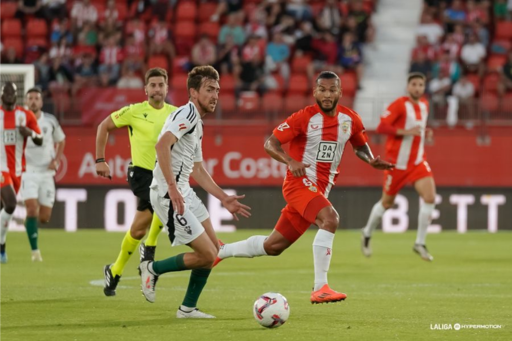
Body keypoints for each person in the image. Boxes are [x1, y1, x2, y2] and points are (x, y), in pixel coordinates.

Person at [214, 71, 394, 304]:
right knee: (330, 219)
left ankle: (221, 250)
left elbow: (360, 145)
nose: (327, 95)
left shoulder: (350, 120)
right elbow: (271, 143)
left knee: (273, 246)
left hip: (318, 189)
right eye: (322, 89)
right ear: (314, 92)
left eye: (332, 90)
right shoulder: (303, 118)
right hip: (298, 183)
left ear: (340, 92)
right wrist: (290, 161)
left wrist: (370, 159)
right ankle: (321, 287)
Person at [138, 65, 251, 318]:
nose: (215, 95)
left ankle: (188, 308)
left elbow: (197, 169)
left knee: (214, 250)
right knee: (208, 254)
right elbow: (161, 146)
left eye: (217, 90)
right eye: (209, 89)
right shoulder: (186, 114)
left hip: (183, 191)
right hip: (170, 195)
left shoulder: (196, 122)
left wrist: (223, 198)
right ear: (193, 92)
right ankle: (151, 267)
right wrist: (172, 188)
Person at [95, 68, 177, 296]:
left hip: (163, 174)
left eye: (161, 85)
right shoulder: (134, 111)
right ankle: (149, 248)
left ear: (166, 88)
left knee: (139, 227)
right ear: (146, 89)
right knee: (166, 201)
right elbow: (104, 126)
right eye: (153, 85)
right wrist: (100, 160)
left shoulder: (175, 114)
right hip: (141, 174)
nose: (157, 89)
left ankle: (115, 269)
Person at [361, 72, 436, 262]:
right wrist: (405, 132)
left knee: (430, 197)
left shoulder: (425, 104)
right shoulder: (400, 105)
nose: (417, 87)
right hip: (396, 165)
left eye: (421, 84)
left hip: (417, 161)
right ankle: (367, 232)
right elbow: (382, 127)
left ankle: (420, 242)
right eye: (414, 84)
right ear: (408, 86)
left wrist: (425, 133)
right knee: (386, 203)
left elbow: (417, 129)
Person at [21, 88, 66, 262]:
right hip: (27, 171)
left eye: (36, 98)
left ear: (41, 102)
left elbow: (61, 140)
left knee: (44, 217)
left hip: (47, 172)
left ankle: (29, 225)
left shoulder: (50, 121)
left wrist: (57, 159)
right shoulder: (21, 120)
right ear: (26, 101)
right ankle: (35, 252)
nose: (33, 101)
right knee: (31, 208)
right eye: (30, 98)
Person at [0, 82, 43, 263]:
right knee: (10, 204)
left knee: (3, 209)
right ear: (2, 95)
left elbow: (40, 138)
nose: (9, 96)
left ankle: (1, 247)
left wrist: (30, 134)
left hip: (17, 169)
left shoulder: (25, 115)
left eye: (12, 93)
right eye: (6, 92)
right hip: (1, 167)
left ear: (16, 96)